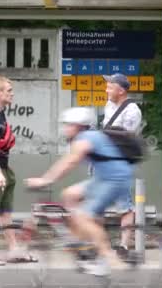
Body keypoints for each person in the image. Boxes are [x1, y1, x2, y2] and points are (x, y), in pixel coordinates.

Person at [26, 107, 135, 276]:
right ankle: (83, 244)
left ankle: (107, 258)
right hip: (103, 178)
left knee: (84, 217)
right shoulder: (86, 138)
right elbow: (68, 160)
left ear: (78, 126)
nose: (65, 128)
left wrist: (45, 180)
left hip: (114, 179)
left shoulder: (85, 138)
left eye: (68, 125)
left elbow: (70, 162)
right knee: (69, 195)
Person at [0, 75, 37, 265]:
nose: (12, 94)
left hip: (3, 169)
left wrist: (3, 171)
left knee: (5, 212)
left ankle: (14, 250)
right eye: (9, 90)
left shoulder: (0, 113)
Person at [101, 73, 142, 257]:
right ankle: (99, 244)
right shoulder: (109, 105)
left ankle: (124, 246)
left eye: (110, 86)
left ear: (122, 90)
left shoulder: (132, 111)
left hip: (119, 164)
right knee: (96, 203)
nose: (106, 89)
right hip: (103, 161)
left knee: (124, 205)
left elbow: (126, 141)